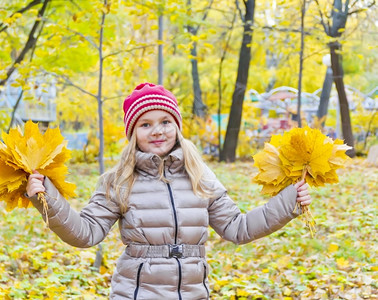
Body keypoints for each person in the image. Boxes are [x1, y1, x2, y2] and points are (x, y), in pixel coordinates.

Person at [26, 83, 312, 299]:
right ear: (132, 133)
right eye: (145, 124)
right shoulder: (119, 181)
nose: (157, 131)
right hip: (137, 293)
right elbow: (86, 232)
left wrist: (289, 201)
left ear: (177, 126)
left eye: (165, 121)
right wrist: (46, 199)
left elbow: (238, 228)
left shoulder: (200, 176)